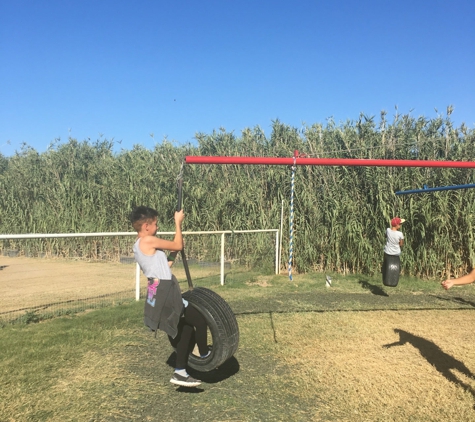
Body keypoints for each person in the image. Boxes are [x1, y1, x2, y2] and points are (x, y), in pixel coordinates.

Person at [130, 206, 210, 388]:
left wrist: (175, 252)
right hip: (164, 291)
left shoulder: (138, 245)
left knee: (185, 329)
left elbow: (166, 265)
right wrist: (178, 223)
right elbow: (178, 244)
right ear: (146, 226)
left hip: (159, 288)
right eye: (155, 224)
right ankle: (205, 355)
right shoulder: (148, 240)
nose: (157, 227)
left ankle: (180, 372)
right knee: (200, 319)